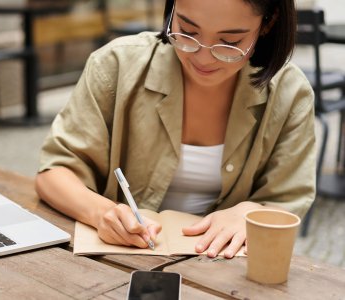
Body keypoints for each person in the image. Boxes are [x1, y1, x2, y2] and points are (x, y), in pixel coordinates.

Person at [35, 0, 316, 259]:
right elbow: (55, 172)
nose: (203, 59)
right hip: (116, 260)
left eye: (229, 42)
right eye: (188, 31)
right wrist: (102, 213)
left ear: (268, 23)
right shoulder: (117, 65)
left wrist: (251, 211)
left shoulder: (289, 94)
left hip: (225, 272)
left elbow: (287, 201)